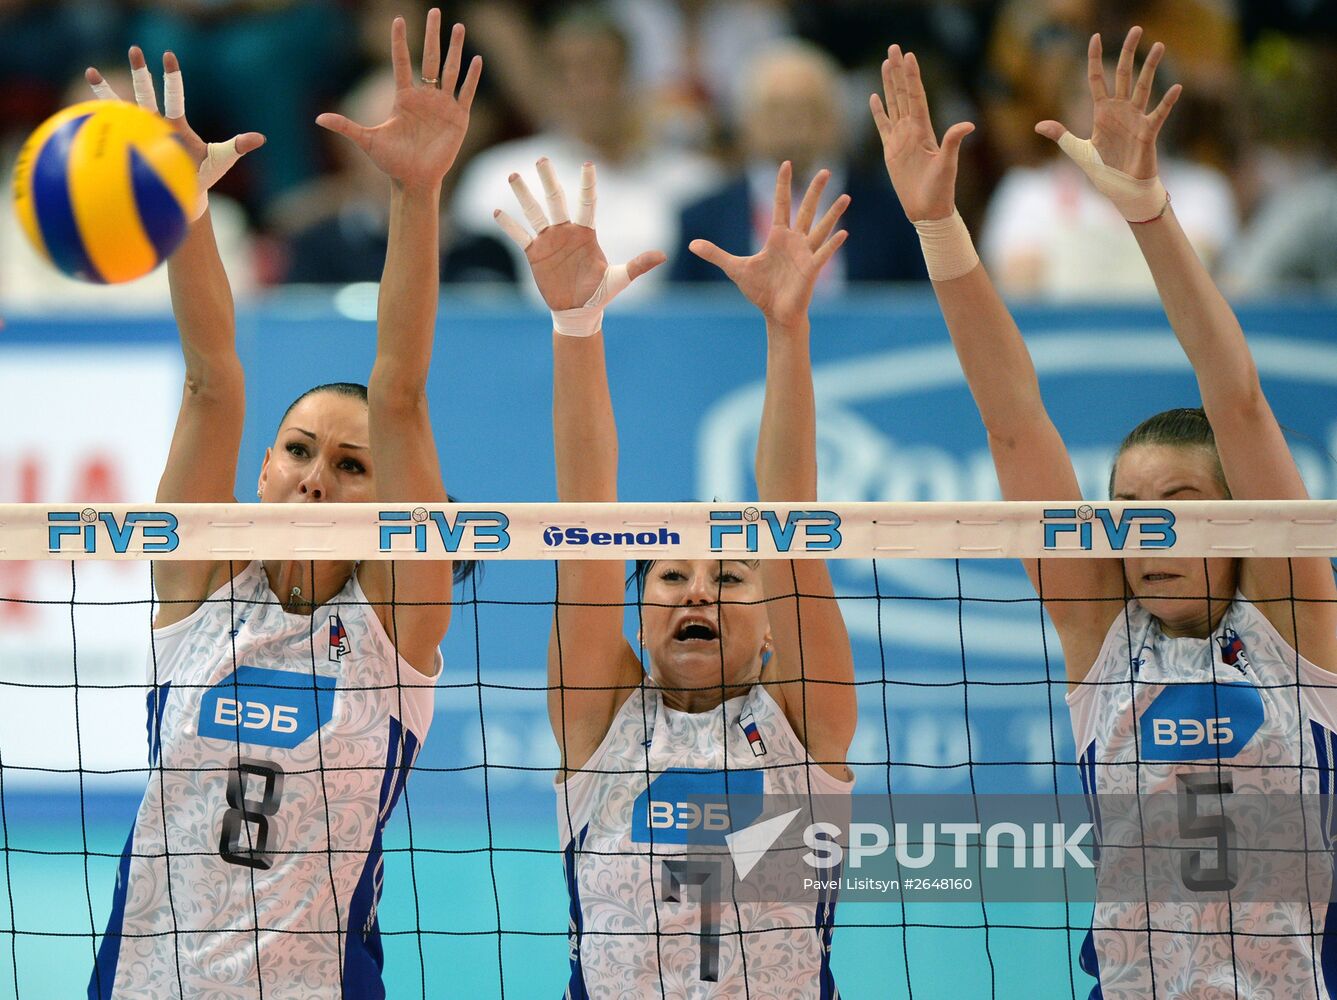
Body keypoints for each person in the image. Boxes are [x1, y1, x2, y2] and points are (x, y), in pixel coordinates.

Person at [871, 28, 1337, 998]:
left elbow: (1235, 396)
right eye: (1126, 510)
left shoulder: (1292, 623)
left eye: (1179, 504)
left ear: (1235, 519)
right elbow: (1011, 423)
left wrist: (1147, 213)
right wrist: (937, 228)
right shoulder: (1101, 640)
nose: (1147, 531)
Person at [83, 11, 480, 998]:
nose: (313, 478)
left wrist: (415, 194)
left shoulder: (398, 625)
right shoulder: (197, 578)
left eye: (352, 468)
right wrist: (181, 206)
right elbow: (213, 379)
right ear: (261, 468)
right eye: (298, 451)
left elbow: (399, 392)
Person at [493, 158, 857, 994]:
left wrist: (785, 331)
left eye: (729, 577)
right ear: (640, 611)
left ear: (773, 623)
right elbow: (585, 519)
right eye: (668, 577)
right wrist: (577, 326)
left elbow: (792, 520)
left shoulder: (805, 721)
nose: (696, 590)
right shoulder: (602, 721)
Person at [670, 40, 927, 288]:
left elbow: (927, 310)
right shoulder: (702, 221)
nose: (792, 123)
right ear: (746, 120)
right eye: (776, 109)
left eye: (807, 108)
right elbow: (677, 319)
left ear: (835, 118)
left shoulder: (894, 213)